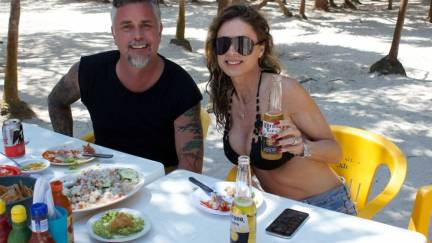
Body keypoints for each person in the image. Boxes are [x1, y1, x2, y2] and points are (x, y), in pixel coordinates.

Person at [204, 4, 356, 215]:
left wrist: (302, 147)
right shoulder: (227, 94)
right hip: (276, 209)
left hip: (326, 206)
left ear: (261, 49)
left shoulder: (284, 90)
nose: (231, 51)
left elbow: (335, 152)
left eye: (242, 43)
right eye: (223, 44)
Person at [48, 0, 203, 173]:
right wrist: (68, 149)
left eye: (146, 25)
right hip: (101, 180)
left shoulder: (182, 87)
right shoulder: (87, 71)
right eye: (127, 26)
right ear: (114, 33)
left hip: (159, 184)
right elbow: (56, 101)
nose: (137, 35)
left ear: (159, 30)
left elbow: (190, 173)